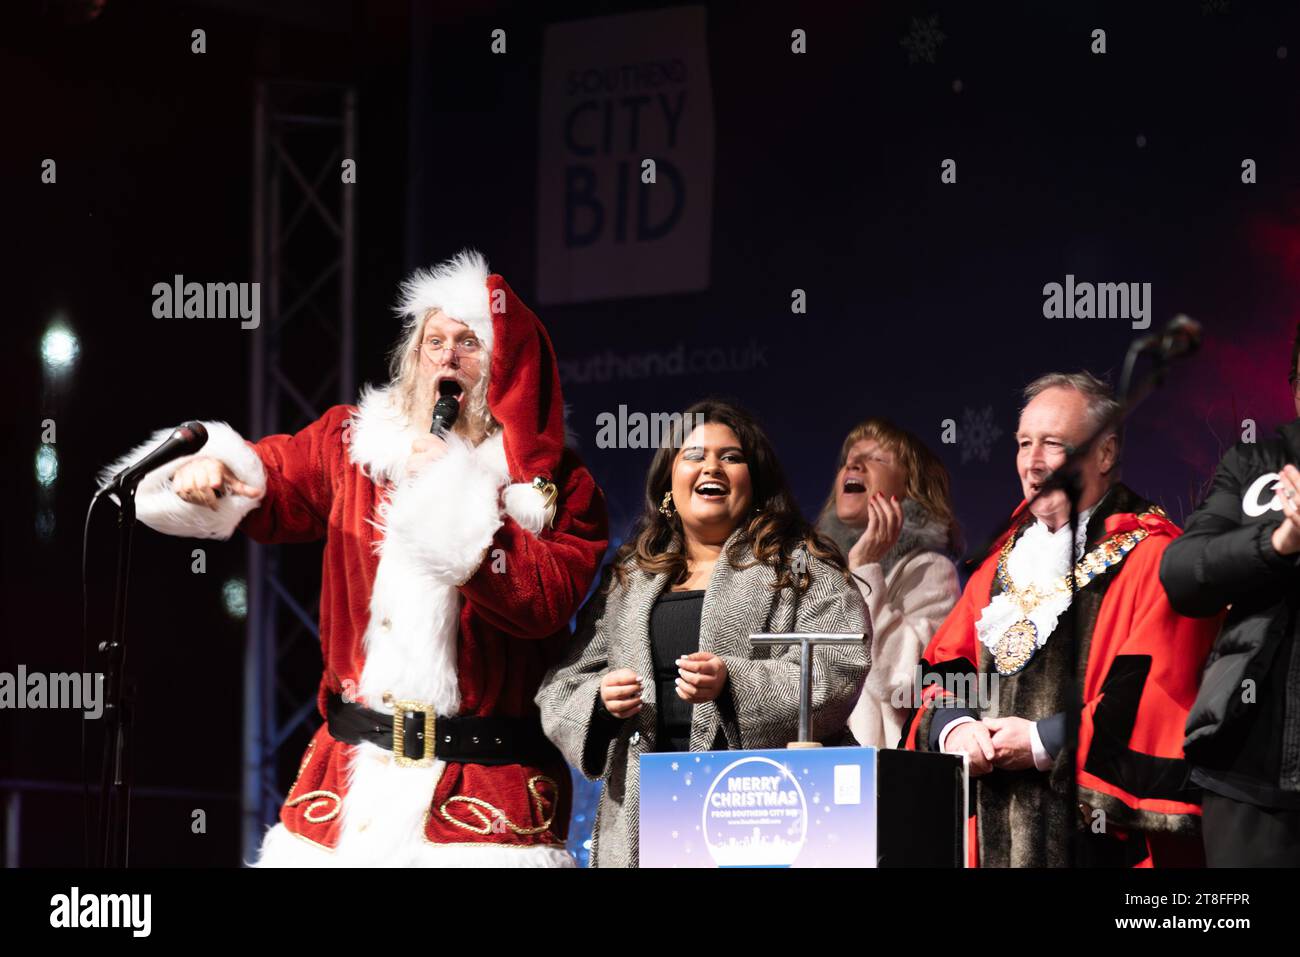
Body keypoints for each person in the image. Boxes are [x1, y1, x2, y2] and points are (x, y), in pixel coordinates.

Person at [100, 250, 609, 866]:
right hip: (346, 789)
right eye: (434, 341)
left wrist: (450, 493)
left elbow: (544, 603)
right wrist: (210, 467)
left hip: (480, 800)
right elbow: (272, 483)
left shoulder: (559, 488)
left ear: (504, 369)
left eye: (469, 343)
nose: (447, 356)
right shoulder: (355, 447)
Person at [902, 371, 1221, 867]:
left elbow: (1156, 697)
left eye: (1052, 445)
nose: (1032, 464)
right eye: (1024, 444)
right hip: (991, 836)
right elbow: (945, 668)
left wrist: (1040, 742)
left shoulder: (1155, 559)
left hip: (1100, 842)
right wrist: (956, 727)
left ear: (1106, 454)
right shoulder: (996, 567)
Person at [536, 400, 869, 867]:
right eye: (694, 455)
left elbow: (840, 667)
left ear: (754, 482)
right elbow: (560, 689)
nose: (712, 465)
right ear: (668, 484)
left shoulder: (801, 564)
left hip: (770, 819)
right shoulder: (628, 578)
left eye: (731, 457)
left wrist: (733, 684)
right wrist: (601, 702)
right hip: (642, 828)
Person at [1160, 323, 1300, 866]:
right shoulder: (1252, 466)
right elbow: (1182, 574)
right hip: (1246, 772)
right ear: (1295, 388)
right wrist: (1280, 540)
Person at [817, 418, 962, 748]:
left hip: (879, 773)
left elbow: (903, 682)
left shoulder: (930, 571)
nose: (853, 464)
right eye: (849, 460)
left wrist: (865, 568)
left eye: (876, 458)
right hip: (813, 769)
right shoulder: (815, 569)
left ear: (910, 488)